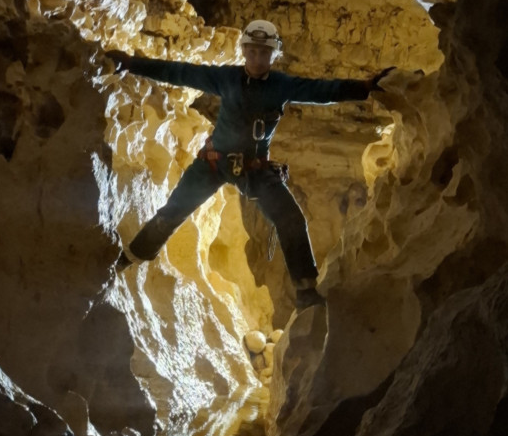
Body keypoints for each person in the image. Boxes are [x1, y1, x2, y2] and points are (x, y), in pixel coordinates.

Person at [107, 20, 393, 309]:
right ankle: (129, 258)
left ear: (273, 55)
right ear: (244, 51)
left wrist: (367, 87)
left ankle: (306, 291)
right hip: (213, 163)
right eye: (253, 51)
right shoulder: (227, 79)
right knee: (172, 212)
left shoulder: (282, 85)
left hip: (254, 170)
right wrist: (131, 63)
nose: (258, 59)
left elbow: (323, 91)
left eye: (264, 53)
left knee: (291, 220)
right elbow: (180, 73)